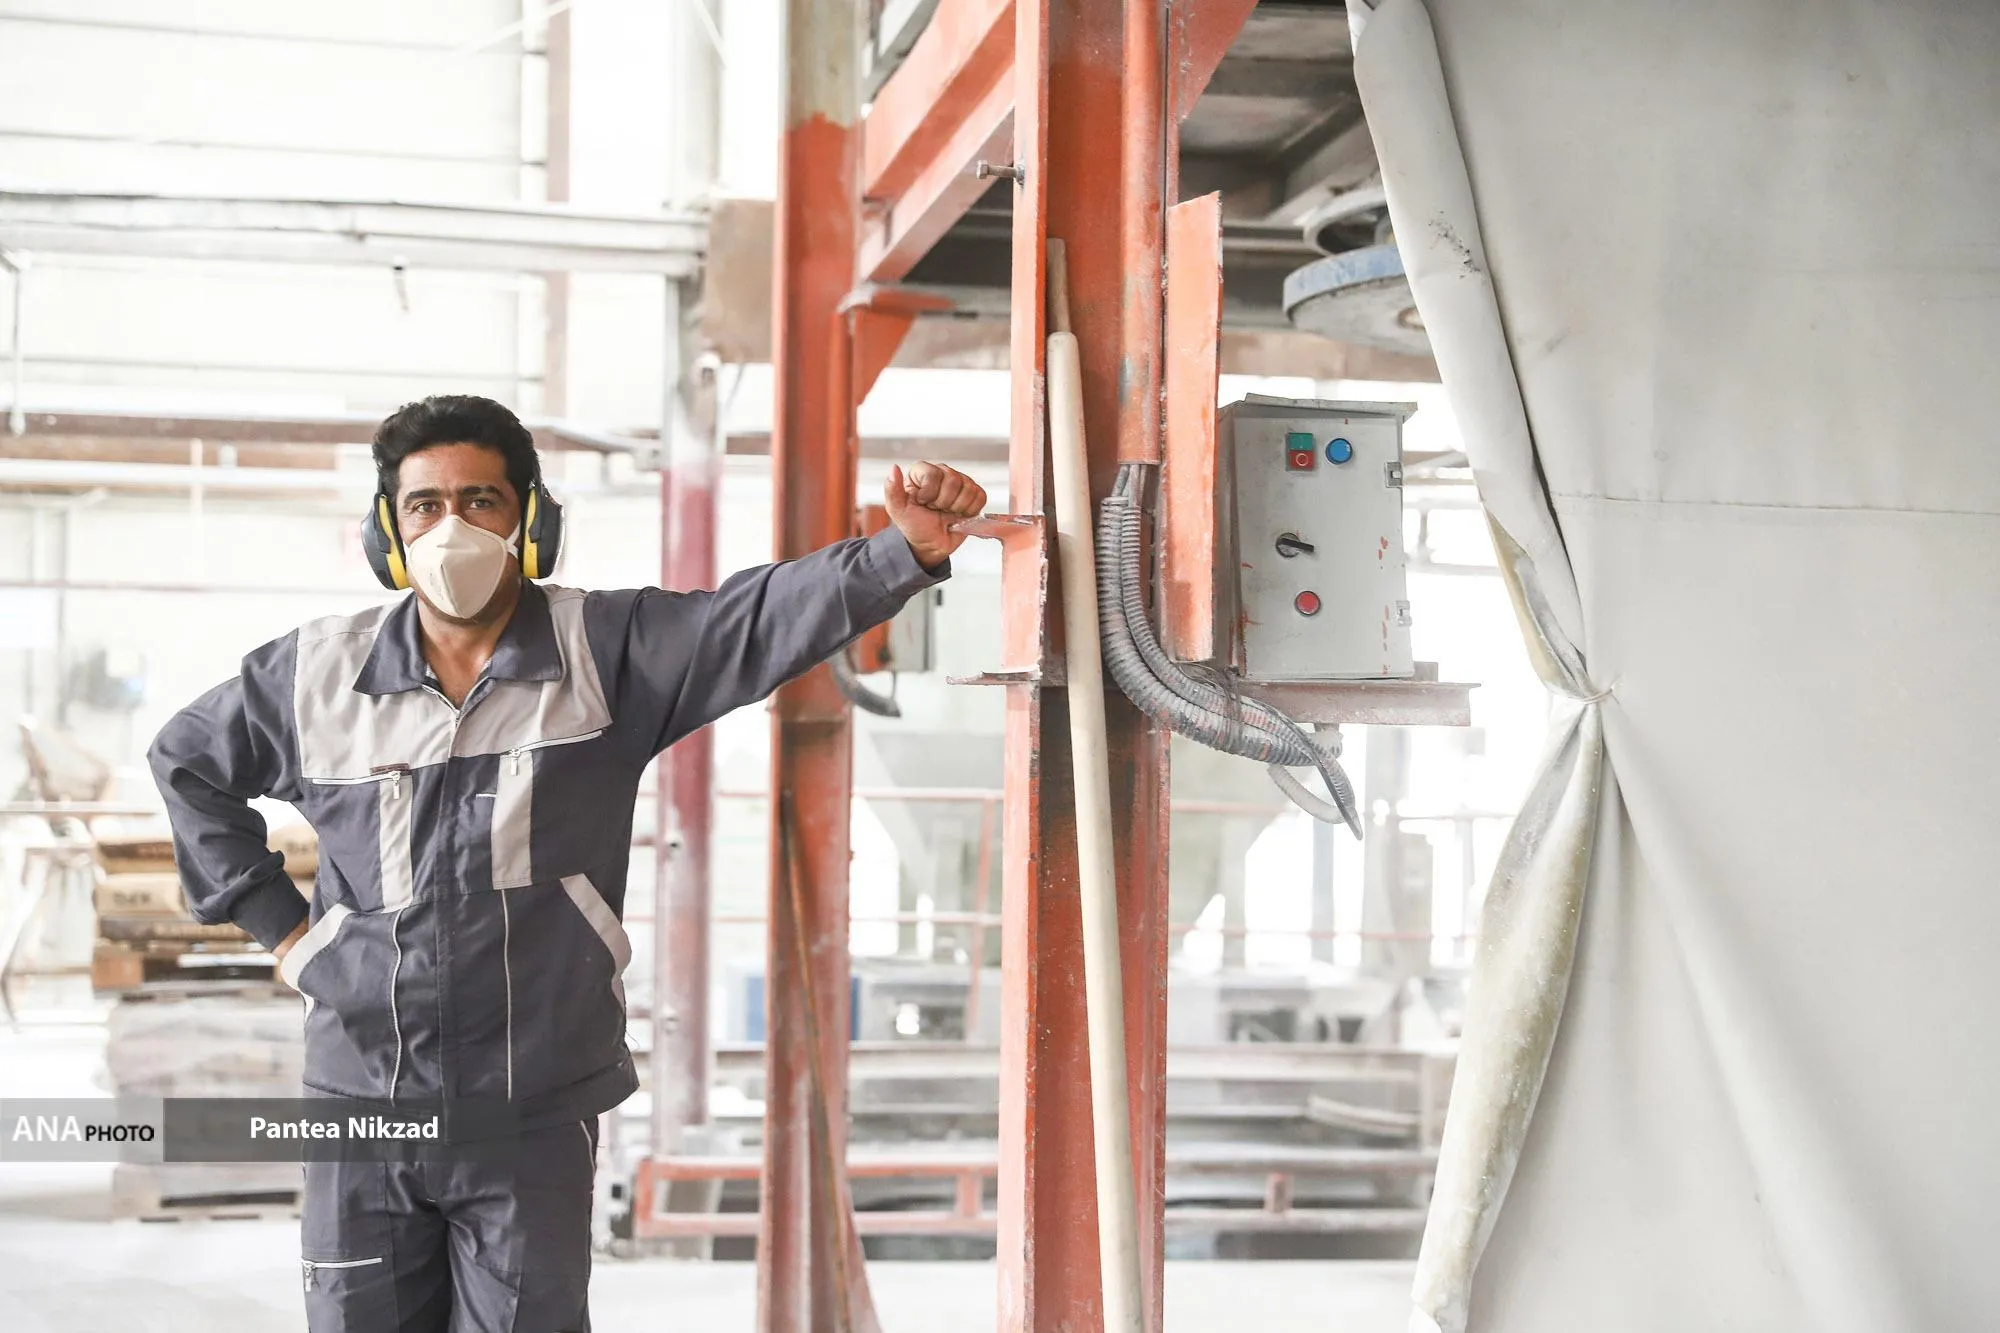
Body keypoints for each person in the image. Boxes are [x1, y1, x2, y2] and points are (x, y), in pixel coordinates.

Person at [147, 394, 987, 1332]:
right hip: (364, 1095)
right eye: (425, 505)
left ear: (530, 519)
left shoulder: (605, 653)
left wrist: (901, 552)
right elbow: (186, 762)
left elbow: (753, 619)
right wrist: (288, 933)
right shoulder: (316, 677)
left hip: (533, 1103)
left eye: (481, 500)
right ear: (390, 532)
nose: (453, 527)